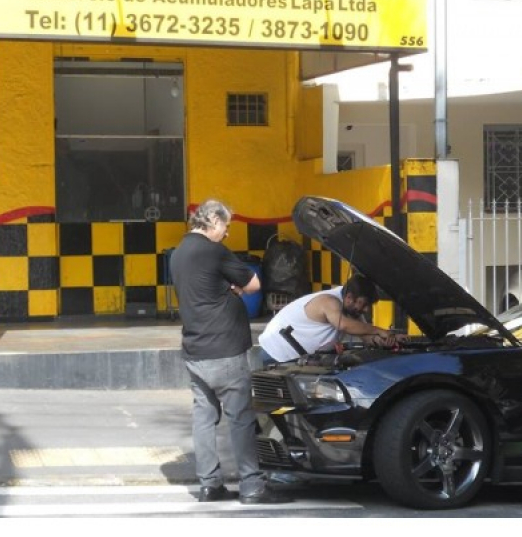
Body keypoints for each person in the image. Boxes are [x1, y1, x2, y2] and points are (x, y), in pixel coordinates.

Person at [170, 198, 288, 505]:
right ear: (211, 221)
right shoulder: (213, 251)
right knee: (240, 418)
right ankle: (252, 485)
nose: (226, 233)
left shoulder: (178, 253)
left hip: (195, 350)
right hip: (225, 350)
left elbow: (202, 289)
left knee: (204, 418)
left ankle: (209, 485)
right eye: (224, 226)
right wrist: (234, 289)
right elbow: (253, 283)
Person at [252, 273, 406, 365]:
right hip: (273, 355)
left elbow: (365, 336)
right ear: (349, 297)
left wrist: (389, 339)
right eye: (364, 304)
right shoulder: (328, 301)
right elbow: (344, 325)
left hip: (294, 360)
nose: (365, 310)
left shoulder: (352, 310)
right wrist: (380, 330)